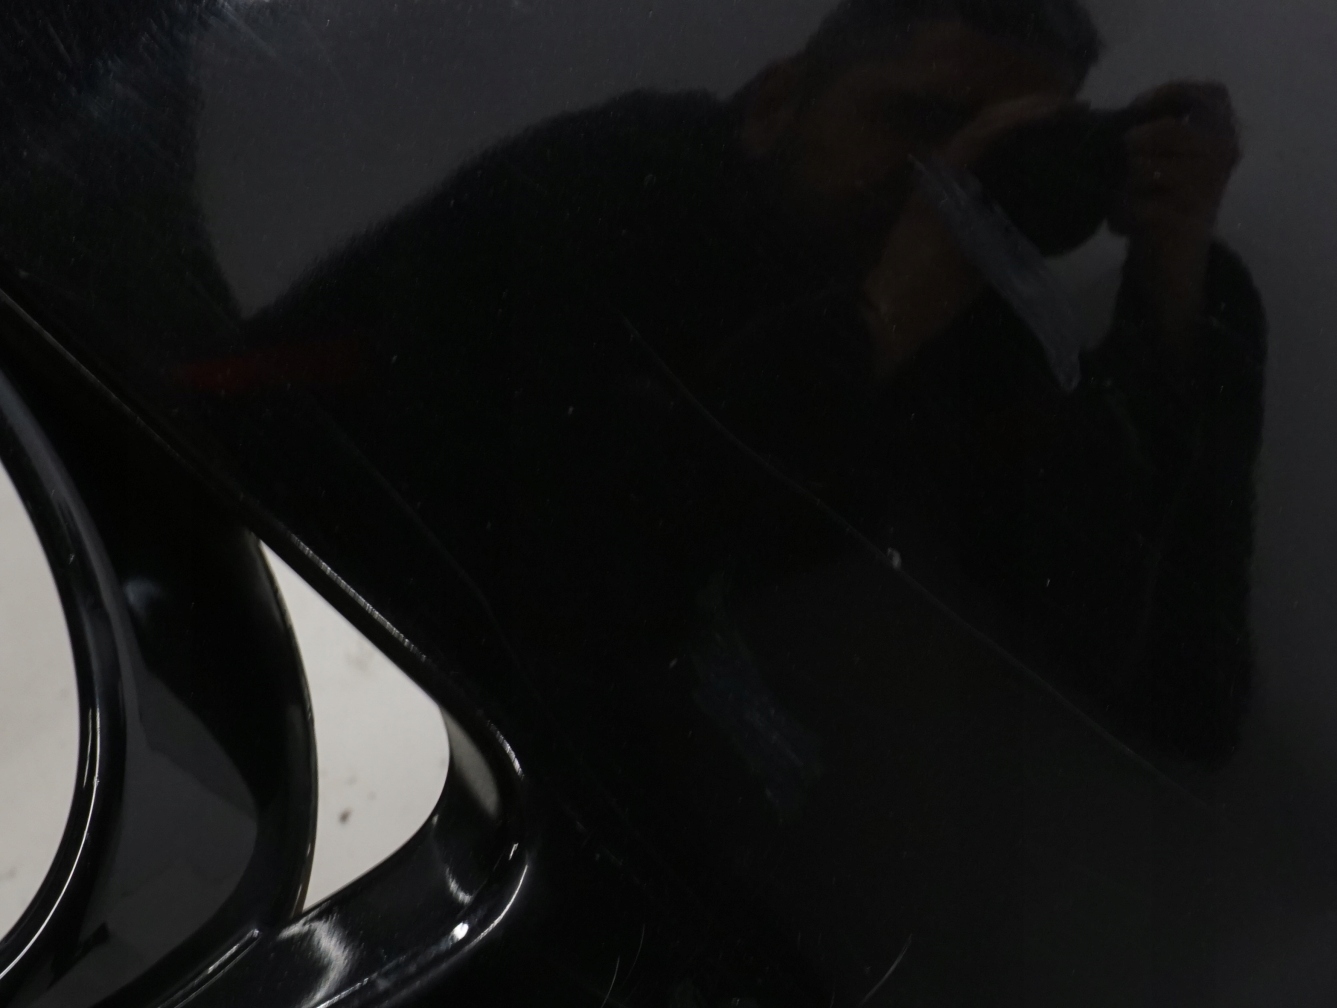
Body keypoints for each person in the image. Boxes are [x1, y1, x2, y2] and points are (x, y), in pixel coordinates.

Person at [248, 0, 1264, 768]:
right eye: (917, 122)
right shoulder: (626, 180)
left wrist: (1171, 299)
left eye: (989, 150)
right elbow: (563, 570)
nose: (938, 183)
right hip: (274, 632)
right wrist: (875, 325)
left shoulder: (950, 320)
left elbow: (1161, 690)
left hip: (520, 776)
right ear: (778, 101)